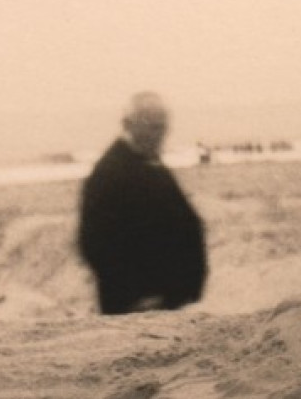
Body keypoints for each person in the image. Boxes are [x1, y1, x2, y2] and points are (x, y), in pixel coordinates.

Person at [78, 92, 207, 315]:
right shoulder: (110, 173)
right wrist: (137, 296)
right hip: (138, 306)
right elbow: (95, 243)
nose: (160, 135)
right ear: (129, 125)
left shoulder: (148, 163)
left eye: (163, 127)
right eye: (153, 127)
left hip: (167, 301)